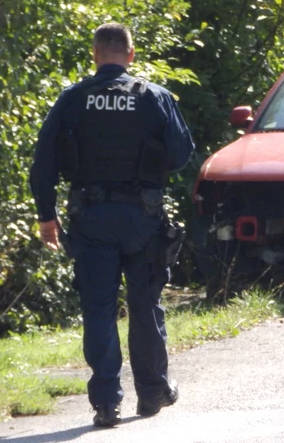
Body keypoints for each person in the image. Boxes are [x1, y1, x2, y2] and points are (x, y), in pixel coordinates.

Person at [29, 23, 195, 428]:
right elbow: (181, 155)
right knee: (145, 305)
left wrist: (47, 216)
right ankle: (153, 392)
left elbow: (44, 164)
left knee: (99, 310)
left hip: (91, 219)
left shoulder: (73, 98)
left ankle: (106, 404)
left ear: (95, 54)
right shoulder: (153, 96)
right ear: (131, 54)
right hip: (142, 217)